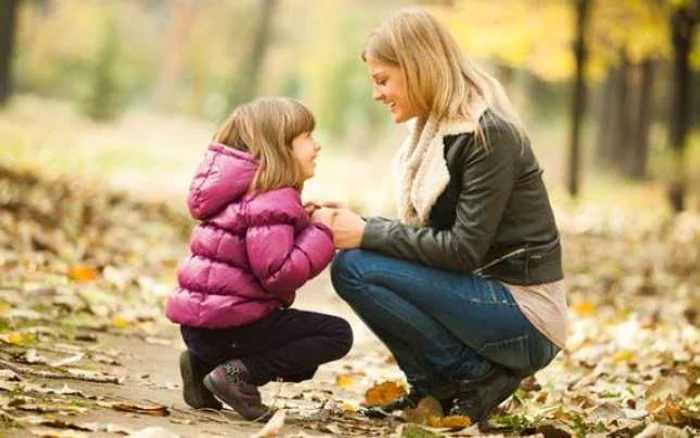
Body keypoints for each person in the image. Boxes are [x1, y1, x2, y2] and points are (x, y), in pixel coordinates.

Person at [313, 8, 566, 425]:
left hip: (526, 317)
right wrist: (356, 222)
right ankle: (434, 389)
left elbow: (463, 250)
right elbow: (428, 239)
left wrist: (366, 232)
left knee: (356, 266)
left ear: (417, 68)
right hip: (486, 296)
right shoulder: (435, 133)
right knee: (357, 264)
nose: (377, 94)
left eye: (382, 80)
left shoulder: (488, 134)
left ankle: (473, 377)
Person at [165, 97, 353, 421]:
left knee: (298, 352)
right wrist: (324, 233)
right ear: (279, 147)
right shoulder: (272, 197)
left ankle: (202, 365)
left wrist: (305, 224)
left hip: (200, 329)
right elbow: (279, 273)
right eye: (307, 137)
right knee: (335, 334)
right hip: (232, 328)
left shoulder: (239, 193)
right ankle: (236, 375)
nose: (317, 145)